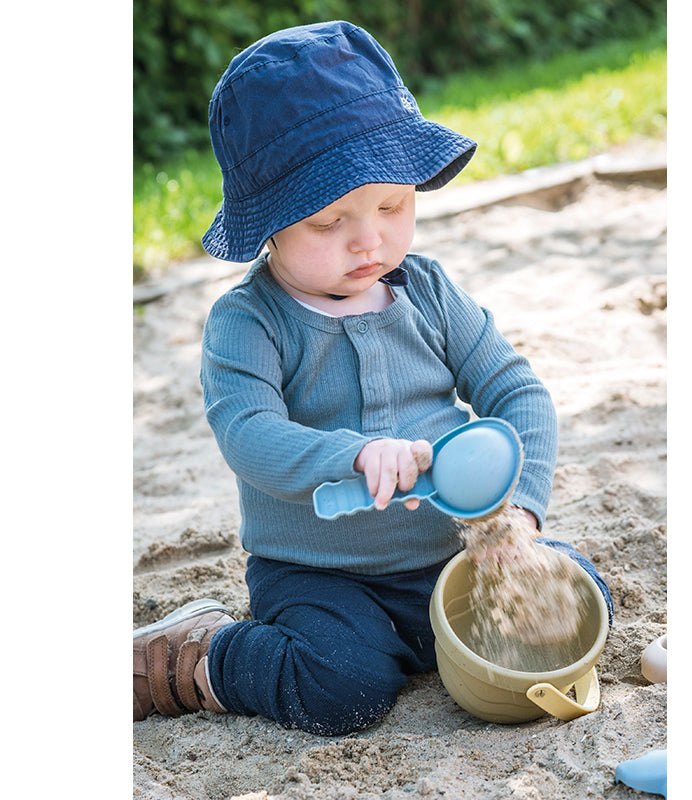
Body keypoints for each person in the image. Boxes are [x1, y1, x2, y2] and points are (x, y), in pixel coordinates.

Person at [133, 20, 613, 735]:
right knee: (342, 689)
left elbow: (518, 393)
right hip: (321, 576)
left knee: (580, 594)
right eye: (330, 221)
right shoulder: (249, 322)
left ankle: (435, 628)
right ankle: (202, 657)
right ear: (268, 224)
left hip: (453, 549)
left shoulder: (426, 291)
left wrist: (525, 513)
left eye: (393, 206)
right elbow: (248, 435)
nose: (370, 240)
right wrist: (353, 453)